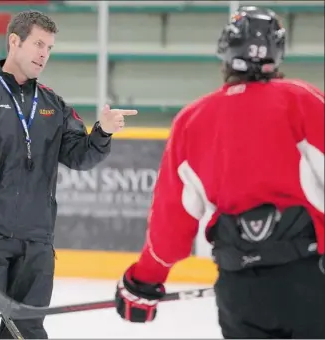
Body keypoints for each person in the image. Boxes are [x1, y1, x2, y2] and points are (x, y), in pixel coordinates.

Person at [114, 6, 324, 339]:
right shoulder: (306, 101)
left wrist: (145, 279)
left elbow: (171, 223)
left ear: (227, 50)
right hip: (311, 281)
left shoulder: (192, 120)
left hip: (240, 291)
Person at [0, 10, 137, 339]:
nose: (44, 54)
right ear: (14, 41)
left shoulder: (53, 104)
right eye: (38, 44)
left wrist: (101, 133)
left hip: (37, 241)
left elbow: (78, 156)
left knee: (28, 329)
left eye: (50, 47)